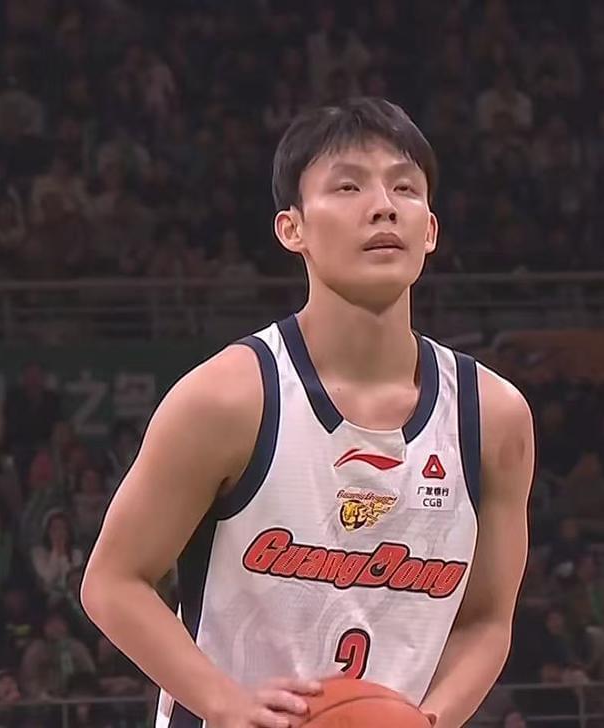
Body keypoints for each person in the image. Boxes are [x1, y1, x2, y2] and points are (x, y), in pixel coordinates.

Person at [82, 98, 535, 728]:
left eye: (405, 188)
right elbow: (112, 582)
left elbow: (486, 620)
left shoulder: (493, 417)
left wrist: (428, 721)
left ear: (429, 230)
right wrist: (225, 703)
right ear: (291, 229)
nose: (383, 206)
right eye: (348, 186)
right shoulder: (229, 398)